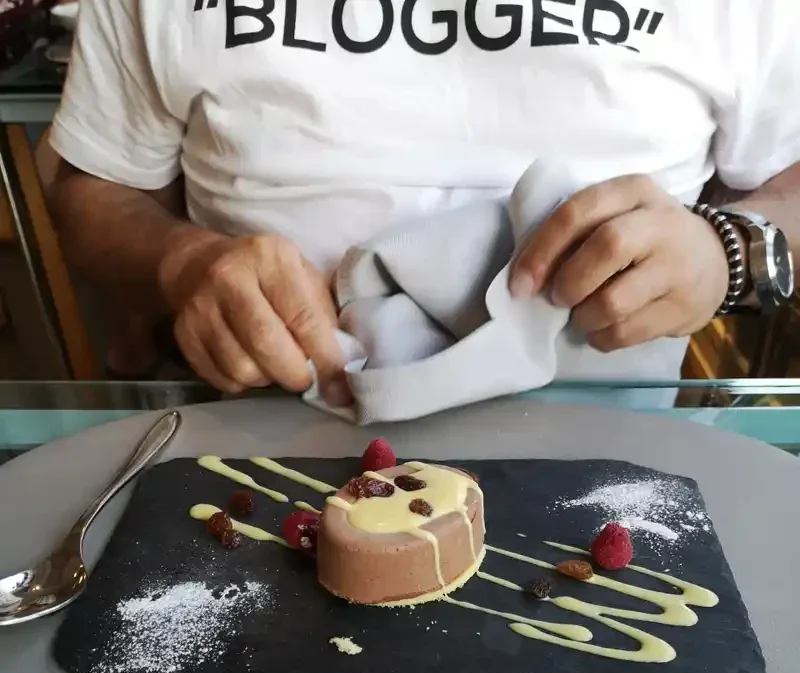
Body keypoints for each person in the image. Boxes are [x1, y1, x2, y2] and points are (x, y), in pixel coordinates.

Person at [47, 1, 800, 404]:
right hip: (260, 433)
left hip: (610, 449)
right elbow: (95, 189)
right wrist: (184, 263)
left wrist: (727, 250)